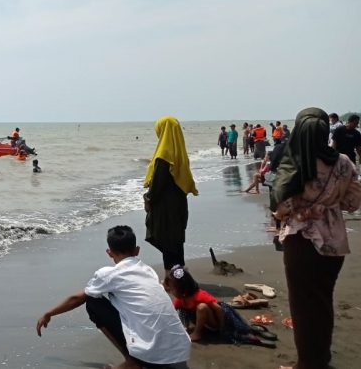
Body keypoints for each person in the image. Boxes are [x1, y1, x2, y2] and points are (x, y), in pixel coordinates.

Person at [272, 108, 361, 369]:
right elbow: (353, 202)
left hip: (301, 242)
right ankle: (320, 358)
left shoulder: (295, 161)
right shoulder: (344, 162)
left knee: (302, 305)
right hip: (334, 240)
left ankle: (308, 364)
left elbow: (281, 208)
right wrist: (328, 203)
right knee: (323, 301)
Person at [36, 226, 190, 369]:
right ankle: (136, 357)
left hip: (151, 355)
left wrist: (49, 313)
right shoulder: (148, 270)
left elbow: (77, 298)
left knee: (92, 301)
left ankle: (132, 362)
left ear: (109, 252)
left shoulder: (109, 274)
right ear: (137, 250)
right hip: (180, 350)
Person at [167, 265, 275, 347]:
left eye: (172, 289)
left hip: (220, 319)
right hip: (207, 322)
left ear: (183, 289)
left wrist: (223, 328)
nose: (170, 291)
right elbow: (171, 312)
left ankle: (198, 333)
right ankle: (253, 332)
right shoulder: (181, 299)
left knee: (202, 307)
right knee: (184, 310)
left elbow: (218, 309)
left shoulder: (199, 296)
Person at [144, 116, 198, 271]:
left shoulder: (164, 155)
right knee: (175, 240)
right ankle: (179, 273)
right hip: (179, 202)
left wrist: (148, 199)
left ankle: (171, 277)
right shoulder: (180, 153)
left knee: (166, 240)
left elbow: (157, 184)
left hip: (165, 205)